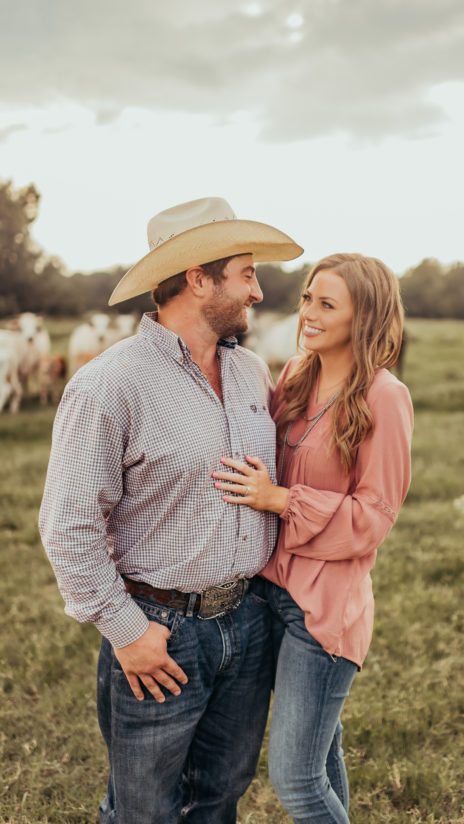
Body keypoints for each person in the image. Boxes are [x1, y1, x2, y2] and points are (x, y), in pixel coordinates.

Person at [38, 197, 303, 824]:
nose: (258, 293)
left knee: (219, 799)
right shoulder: (110, 384)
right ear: (198, 279)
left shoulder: (249, 371)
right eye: (245, 274)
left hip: (248, 620)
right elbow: (68, 525)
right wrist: (128, 633)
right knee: (143, 812)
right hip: (161, 631)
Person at [212, 253, 414, 823]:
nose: (309, 313)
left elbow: (375, 515)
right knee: (322, 755)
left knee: (295, 778)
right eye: (307, 298)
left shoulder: (384, 396)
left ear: (365, 317)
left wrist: (281, 501)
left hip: (323, 607)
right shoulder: (297, 375)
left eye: (327, 305)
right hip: (267, 592)